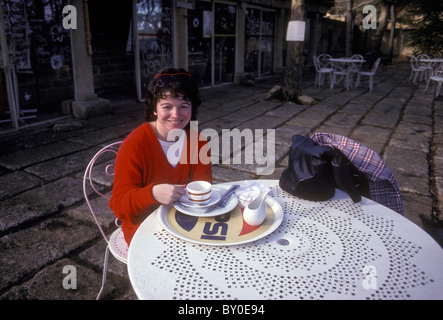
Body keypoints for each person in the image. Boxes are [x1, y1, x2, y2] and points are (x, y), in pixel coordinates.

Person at [109, 67, 212, 245]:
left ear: (192, 108)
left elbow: (204, 190)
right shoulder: (136, 143)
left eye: (183, 106)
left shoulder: (198, 142)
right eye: (167, 106)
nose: (176, 114)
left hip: (186, 225)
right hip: (144, 232)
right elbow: (119, 208)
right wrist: (152, 193)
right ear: (154, 109)